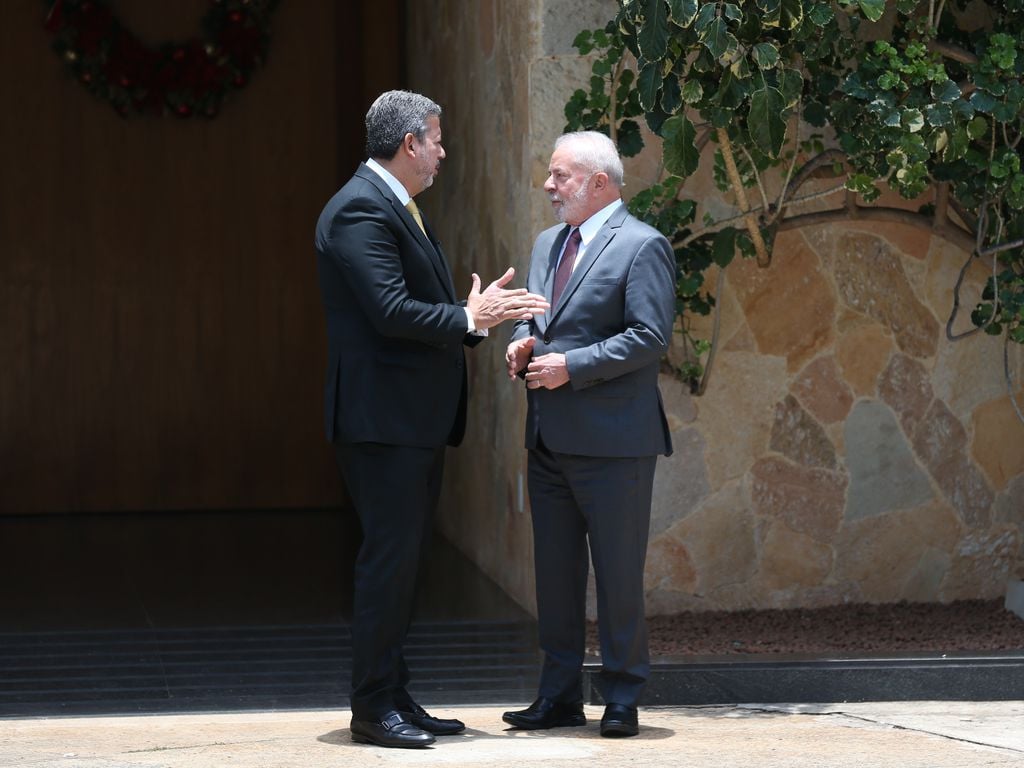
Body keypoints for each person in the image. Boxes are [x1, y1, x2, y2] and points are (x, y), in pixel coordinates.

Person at [314, 90, 548, 749]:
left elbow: (411, 314)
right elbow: (389, 311)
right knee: (387, 563)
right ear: (409, 143)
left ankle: (394, 693)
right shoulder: (361, 207)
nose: (444, 151)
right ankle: (370, 708)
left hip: (407, 422)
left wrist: (466, 322)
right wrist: (471, 319)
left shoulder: (394, 204)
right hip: (382, 423)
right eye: (437, 139)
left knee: (404, 562)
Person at [502, 131, 675, 738]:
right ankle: (558, 697)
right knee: (555, 575)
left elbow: (650, 336)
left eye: (561, 176)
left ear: (599, 182)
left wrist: (571, 366)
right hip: (548, 439)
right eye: (551, 177)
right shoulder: (548, 242)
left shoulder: (643, 246)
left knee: (619, 575)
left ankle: (623, 695)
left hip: (614, 444)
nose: (549, 187)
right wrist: (523, 339)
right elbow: (536, 310)